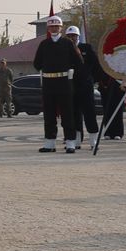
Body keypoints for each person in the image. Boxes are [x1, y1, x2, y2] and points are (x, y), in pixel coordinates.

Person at [33, 15, 83, 153]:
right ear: (48, 29)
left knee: (67, 113)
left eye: (56, 26)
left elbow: (79, 62)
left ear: (61, 28)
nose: (54, 29)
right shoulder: (44, 44)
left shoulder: (68, 43)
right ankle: (49, 143)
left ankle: (70, 142)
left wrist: (70, 70)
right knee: (49, 114)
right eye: (51, 27)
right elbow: (37, 63)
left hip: (64, 82)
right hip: (48, 83)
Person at [66, 26, 100, 147]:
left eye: (74, 36)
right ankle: (77, 140)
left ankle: (93, 140)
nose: (72, 38)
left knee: (89, 113)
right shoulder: (65, 49)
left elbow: (96, 65)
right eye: (69, 36)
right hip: (71, 86)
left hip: (85, 86)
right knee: (74, 114)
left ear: (78, 36)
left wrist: (92, 79)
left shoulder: (87, 48)